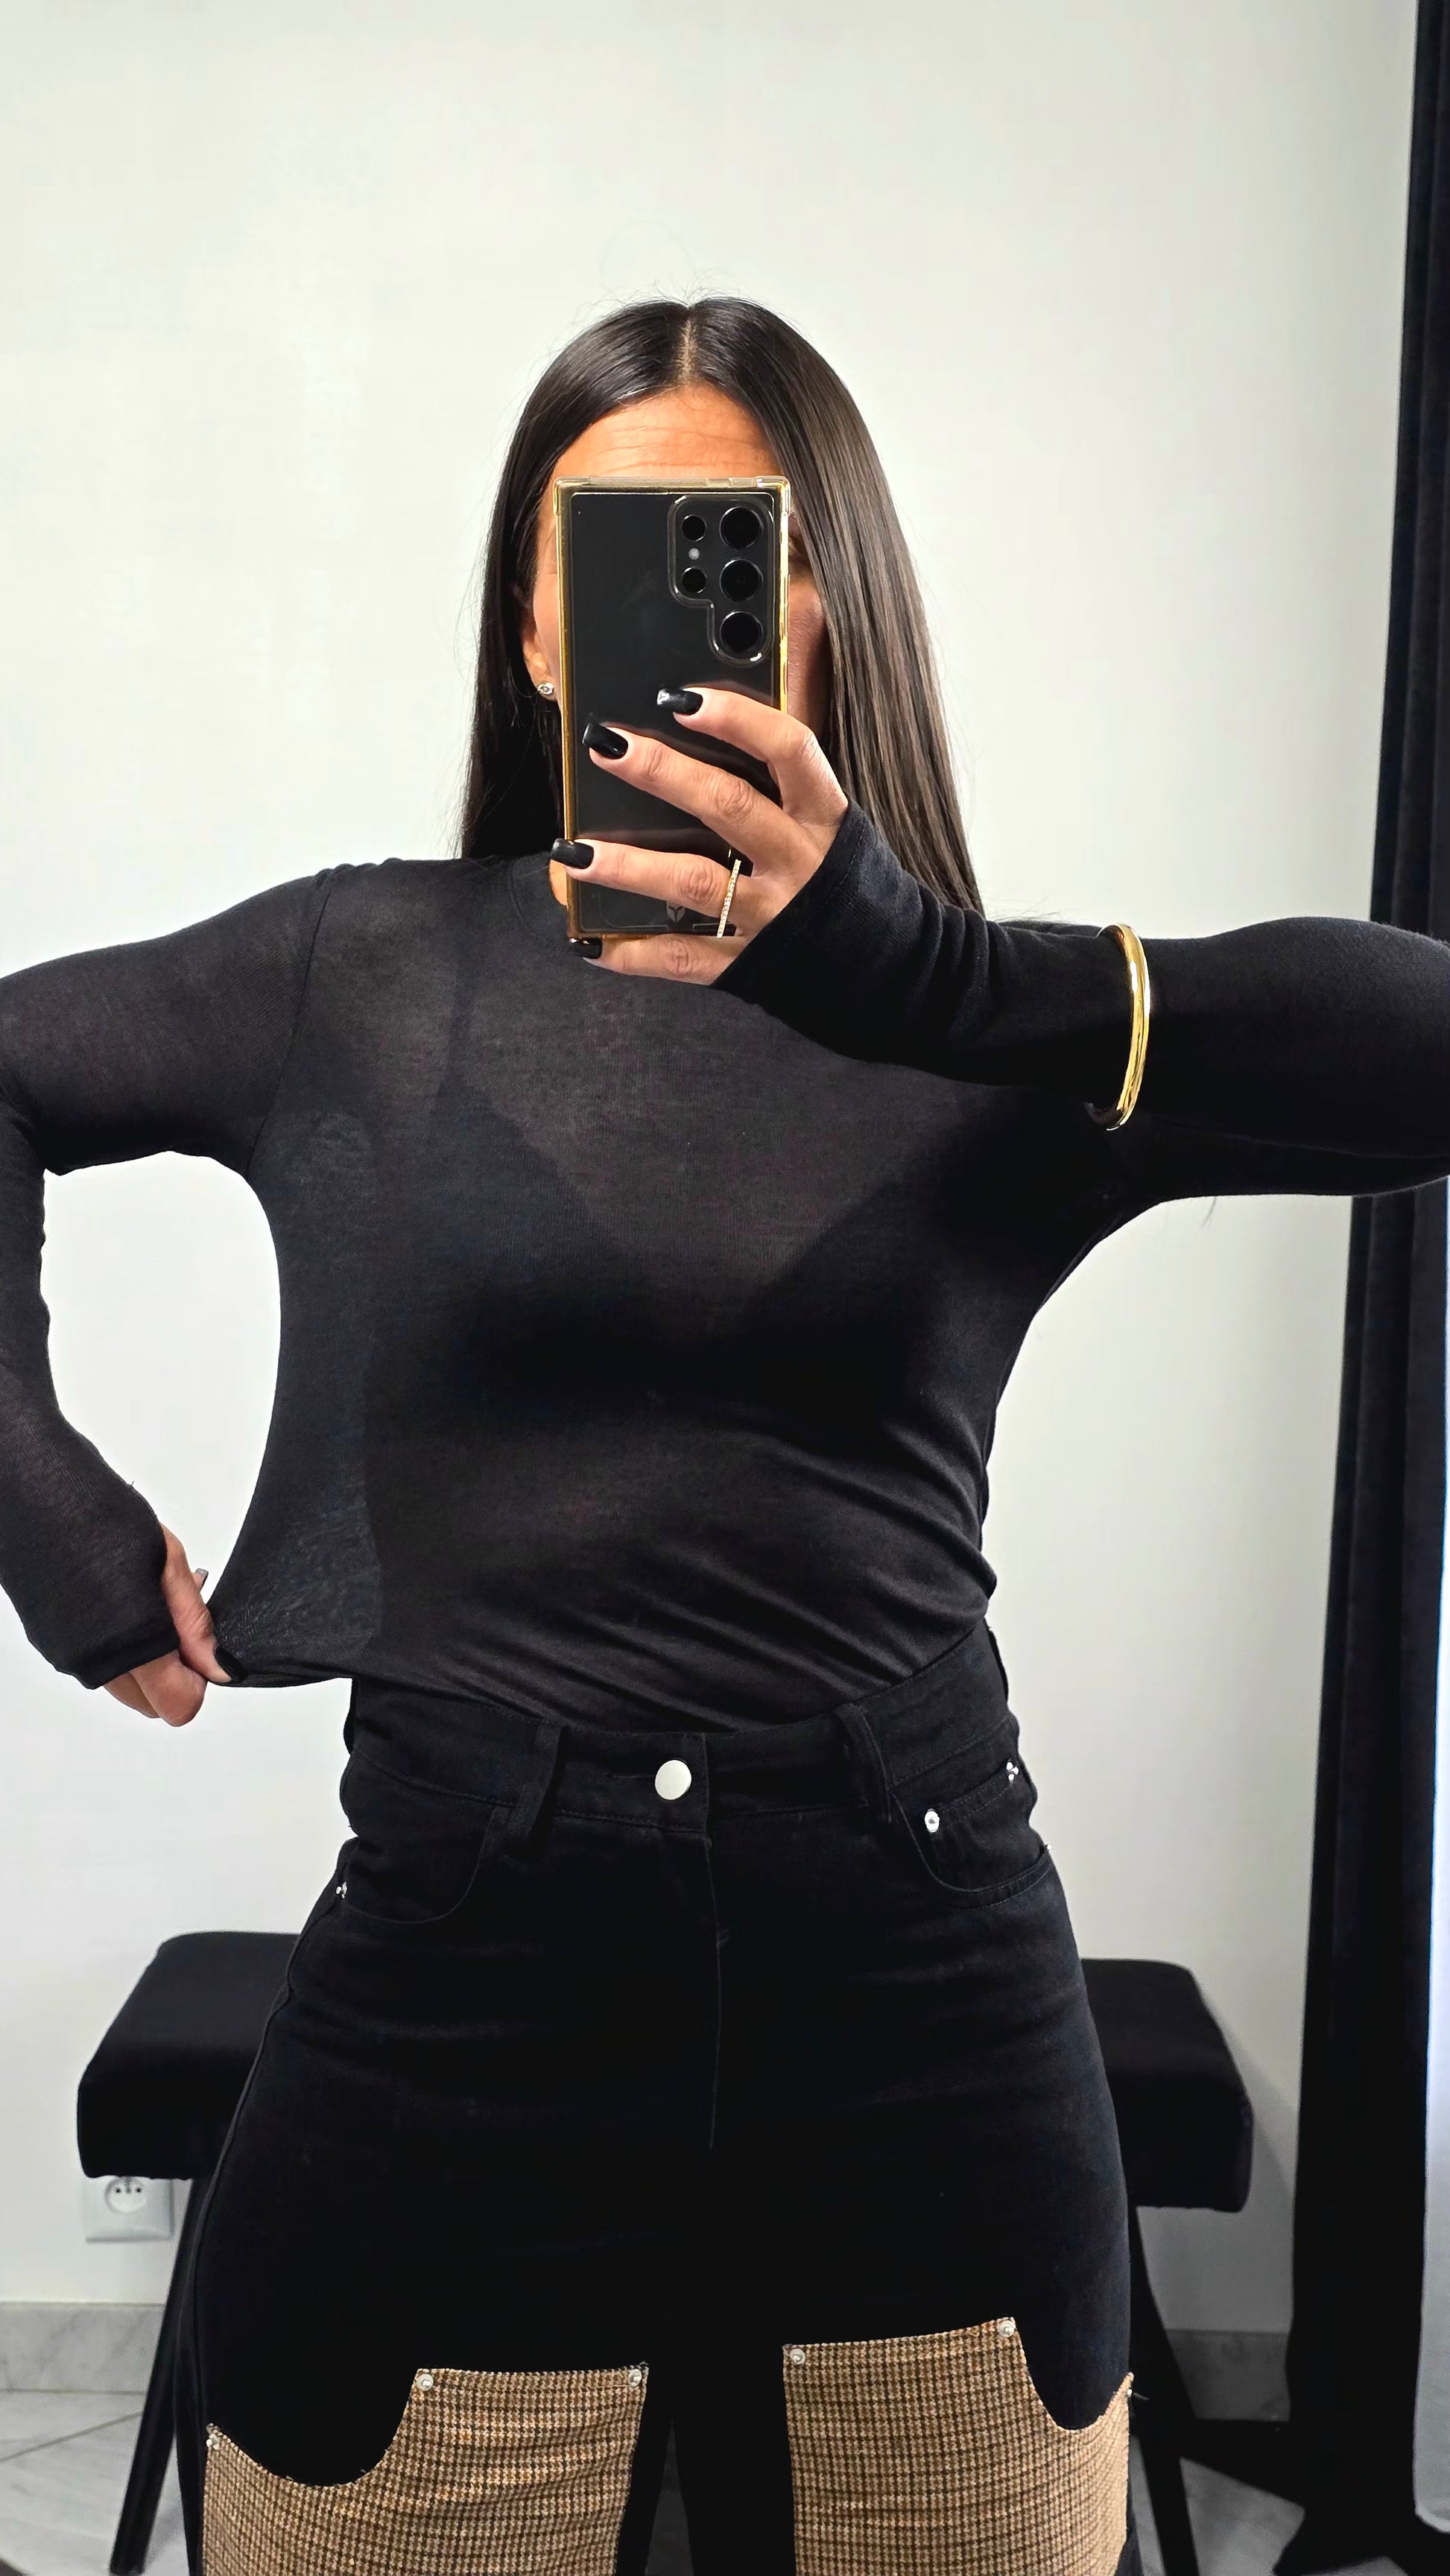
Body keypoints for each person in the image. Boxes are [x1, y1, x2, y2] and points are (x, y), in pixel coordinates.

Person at [3, 297, 1449, 2576]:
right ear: (528, 628)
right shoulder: (354, 974)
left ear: (828, 599)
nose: (671, 612)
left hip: (921, 2020)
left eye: (734, 547)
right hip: (453, 2011)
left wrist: (932, 976)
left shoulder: (978, 1015)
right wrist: (48, 1514)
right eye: (608, 550)